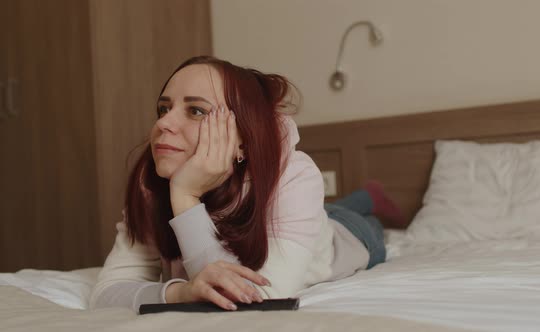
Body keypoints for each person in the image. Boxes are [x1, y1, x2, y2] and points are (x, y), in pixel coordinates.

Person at [89, 56, 405, 313]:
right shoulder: (154, 185)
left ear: (243, 139)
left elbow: (256, 300)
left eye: (196, 111)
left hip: (347, 240)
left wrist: (185, 197)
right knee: (329, 211)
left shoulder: (294, 175)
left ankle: (370, 199)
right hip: (306, 217)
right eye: (164, 108)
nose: (163, 124)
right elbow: (106, 293)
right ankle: (360, 198)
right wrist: (178, 292)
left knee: (359, 224)